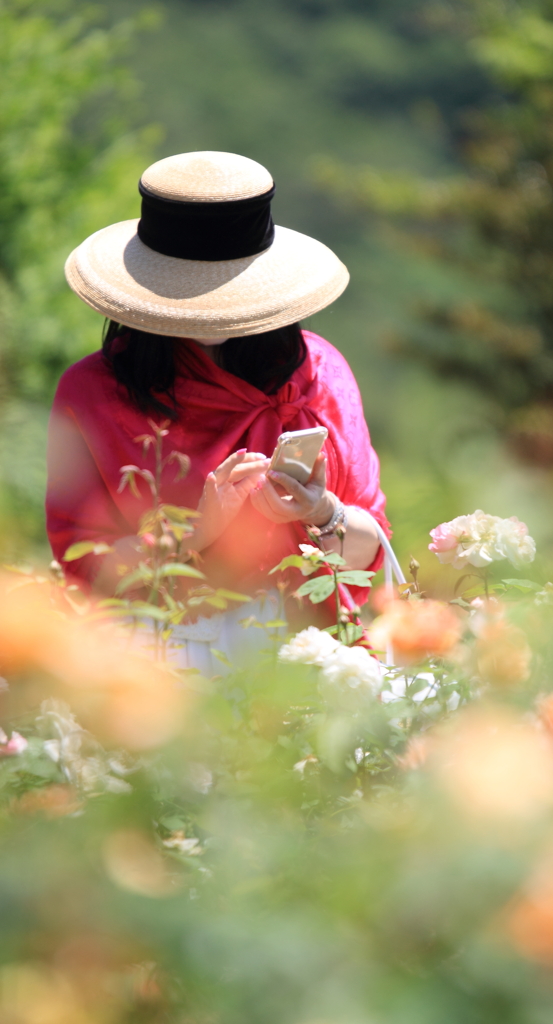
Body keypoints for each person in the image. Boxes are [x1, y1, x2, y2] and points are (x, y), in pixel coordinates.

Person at [46, 151, 389, 670]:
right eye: (195, 286)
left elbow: (369, 553)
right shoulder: (95, 392)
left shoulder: (322, 371)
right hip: (163, 666)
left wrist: (319, 512)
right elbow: (87, 567)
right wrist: (196, 532)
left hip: (310, 659)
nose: (214, 306)